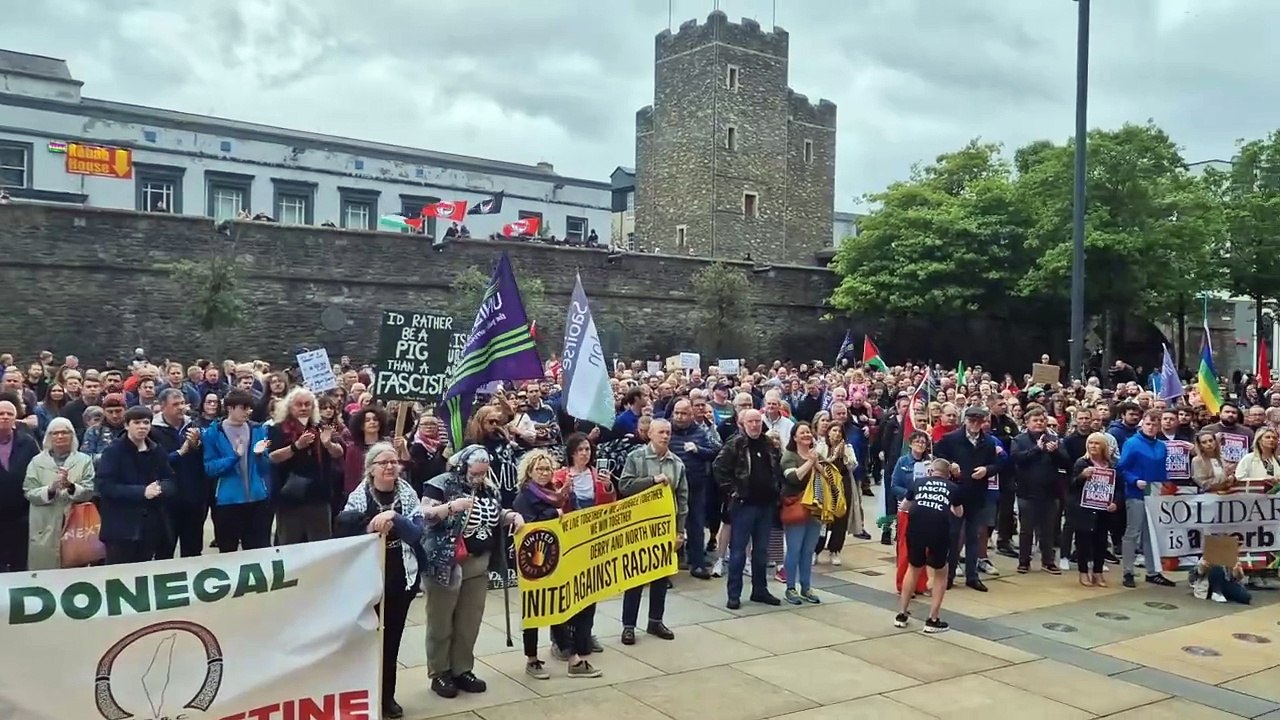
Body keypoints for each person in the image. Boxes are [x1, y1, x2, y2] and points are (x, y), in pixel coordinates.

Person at [420, 445, 525, 699]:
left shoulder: (489, 488)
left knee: (470, 622)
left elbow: (494, 513)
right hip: (445, 563)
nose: (479, 477)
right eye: (475, 472)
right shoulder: (440, 484)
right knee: (441, 621)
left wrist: (510, 515)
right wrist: (450, 507)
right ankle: (440, 672)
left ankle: (462, 668)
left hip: (479, 563)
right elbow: (423, 515)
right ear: (463, 466)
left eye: (483, 472)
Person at [335, 442, 424, 719]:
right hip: (367, 576)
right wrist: (371, 525)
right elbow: (343, 528)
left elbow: (417, 531)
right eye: (383, 463)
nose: (389, 467)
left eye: (393, 462)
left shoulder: (407, 494)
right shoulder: (359, 496)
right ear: (370, 469)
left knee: (391, 639)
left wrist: (394, 517)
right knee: (366, 641)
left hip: (399, 575)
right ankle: (364, 694)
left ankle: (387, 696)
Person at [513, 449, 602, 679]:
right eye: (539, 469)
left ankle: (572, 658)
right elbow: (529, 528)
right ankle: (532, 659)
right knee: (534, 611)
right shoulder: (524, 497)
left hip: (555, 558)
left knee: (556, 608)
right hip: (533, 565)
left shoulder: (555, 492)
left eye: (547, 469)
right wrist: (554, 513)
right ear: (529, 472)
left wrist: (565, 497)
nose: (544, 473)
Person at [618, 418, 687, 643]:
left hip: (664, 529)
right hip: (638, 527)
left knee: (660, 577)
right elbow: (625, 486)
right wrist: (651, 480)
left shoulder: (676, 463)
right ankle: (628, 625)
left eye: (668, 432)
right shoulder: (636, 458)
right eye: (660, 432)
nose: (665, 436)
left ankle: (655, 621)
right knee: (635, 578)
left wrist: (680, 531)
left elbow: (682, 499)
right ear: (650, 434)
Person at [713, 408, 783, 608]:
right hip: (744, 506)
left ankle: (760, 590)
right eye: (750, 422)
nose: (755, 425)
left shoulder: (769, 444)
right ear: (742, 424)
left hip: (766, 505)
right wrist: (733, 491)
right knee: (738, 552)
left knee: (761, 551)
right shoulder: (735, 444)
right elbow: (719, 469)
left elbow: (776, 468)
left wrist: (776, 490)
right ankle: (734, 593)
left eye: (757, 422)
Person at [96, 406, 177, 564]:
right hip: (121, 528)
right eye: (137, 422)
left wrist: (161, 488)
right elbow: (104, 486)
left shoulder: (156, 450)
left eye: (146, 422)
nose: (142, 427)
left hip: (150, 527)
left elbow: (171, 480)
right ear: (127, 425)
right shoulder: (113, 451)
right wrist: (141, 492)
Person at [933, 406, 1000, 592]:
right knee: (953, 536)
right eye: (971, 421)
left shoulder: (987, 442)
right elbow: (937, 455)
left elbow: (996, 464)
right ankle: (949, 575)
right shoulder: (952, 438)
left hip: (977, 494)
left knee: (974, 536)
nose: (975, 425)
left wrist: (987, 470)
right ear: (965, 421)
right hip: (956, 493)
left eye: (979, 422)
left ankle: (972, 576)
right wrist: (950, 465)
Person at [894, 458, 964, 633]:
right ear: (948, 474)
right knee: (941, 572)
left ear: (931, 471)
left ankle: (901, 614)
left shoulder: (919, 482)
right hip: (939, 531)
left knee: (913, 568)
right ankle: (932, 619)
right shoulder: (953, 488)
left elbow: (904, 506)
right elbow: (959, 512)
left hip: (916, 528)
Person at [268, 387, 344, 543]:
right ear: (290, 407)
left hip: (319, 498)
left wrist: (328, 444)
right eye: (299, 404)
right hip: (289, 498)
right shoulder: (278, 429)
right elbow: (273, 457)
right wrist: (296, 446)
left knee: (320, 546)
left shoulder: (321, 426)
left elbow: (339, 452)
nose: (303, 408)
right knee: (290, 545)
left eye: (307, 404)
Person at [779, 422, 844, 604]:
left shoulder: (817, 454)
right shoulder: (789, 456)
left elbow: (828, 476)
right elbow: (794, 477)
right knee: (794, 550)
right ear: (794, 437)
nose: (807, 435)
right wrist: (810, 462)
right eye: (802, 433)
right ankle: (790, 588)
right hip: (796, 508)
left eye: (808, 432)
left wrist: (818, 462)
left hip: (815, 509)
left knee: (808, 551)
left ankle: (806, 587)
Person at [203, 389, 273, 552]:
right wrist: (234, 457)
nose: (248, 412)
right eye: (244, 408)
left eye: (249, 408)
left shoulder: (258, 430)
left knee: (257, 550)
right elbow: (209, 468)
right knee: (228, 550)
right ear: (230, 408)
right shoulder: (213, 433)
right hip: (228, 501)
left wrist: (259, 455)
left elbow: (265, 468)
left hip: (257, 499)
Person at [1115, 410, 1176, 589]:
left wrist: (1168, 486)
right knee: (1132, 533)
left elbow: (1163, 470)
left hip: (1155, 495)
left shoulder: (1162, 446)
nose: (1151, 427)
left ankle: (1153, 571)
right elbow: (1121, 468)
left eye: (1155, 425)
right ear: (1143, 423)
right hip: (1136, 494)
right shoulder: (1132, 443)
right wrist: (1134, 480)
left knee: (1152, 535)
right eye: (1148, 424)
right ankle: (1128, 571)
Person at [22, 416, 94, 570]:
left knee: (75, 569)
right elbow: (29, 491)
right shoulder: (36, 462)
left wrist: (70, 486)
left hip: (75, 523)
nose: (60, 436)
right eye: (55, 433)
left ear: (72, 435)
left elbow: (89, 490)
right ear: (49, 436)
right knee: (46, 569)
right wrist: (50, 489)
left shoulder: (84, 461)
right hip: (45, 523)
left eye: (64, 432)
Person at [1069, 432, 1121, 587]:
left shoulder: (1111, 465)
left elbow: (1118, 488)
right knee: (1083, 542)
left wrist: (1116, 503)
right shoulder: (1081, 463)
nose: (1093, 446)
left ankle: (1098, 573)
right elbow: (1071, 486)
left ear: (1104, 446)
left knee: (1101, 541)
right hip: (1083, 509)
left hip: (1103, 509)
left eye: (1097, 443)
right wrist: (1082, 476)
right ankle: (1083, 572)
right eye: (1090, 443)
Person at [0, 399, 41, 571]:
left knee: (20, 563)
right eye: (1, 413)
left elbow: (38, 472)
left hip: (22, 514)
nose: (5, 417)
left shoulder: (28, 443)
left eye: (10, 414)